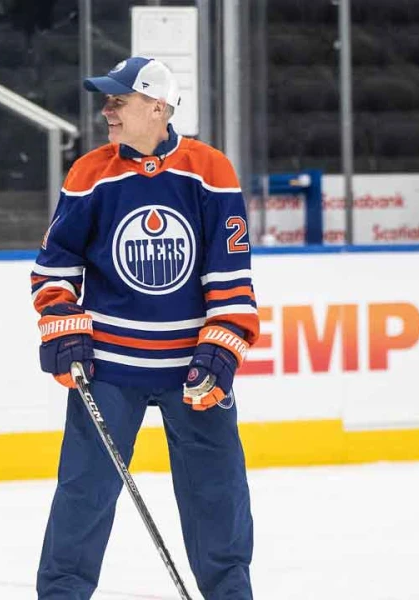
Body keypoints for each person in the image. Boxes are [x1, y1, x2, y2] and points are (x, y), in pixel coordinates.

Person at [31, 57, 258, 599]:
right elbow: (55, 267)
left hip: (193, 369)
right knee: (83, 495)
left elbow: (231, 273)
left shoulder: (210, 171)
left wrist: (223, 345)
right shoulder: (90, 172)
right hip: (109, 366)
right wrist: (62, 322)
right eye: (106, 101)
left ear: (157, 107)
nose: (106, 110)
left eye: (118, 100)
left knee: (218, 495)